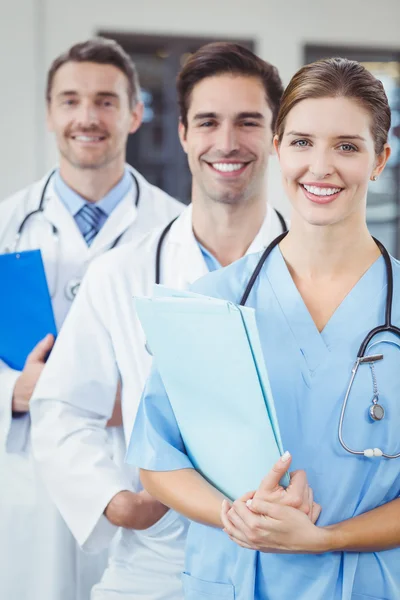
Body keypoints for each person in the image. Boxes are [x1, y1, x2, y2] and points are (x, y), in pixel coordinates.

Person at [127, 57, 400, 600]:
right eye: (301, 142)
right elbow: (158, 460)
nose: (320, 166)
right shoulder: (210, 303)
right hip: (232, 580)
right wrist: (236, 516)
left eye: (347, 146)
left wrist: (323, 539)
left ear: (379, 159)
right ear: (277, 148)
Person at [30, 42, 292, 599]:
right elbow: (63, 406)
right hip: (157, 566)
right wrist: (116, 501)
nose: (226, 142)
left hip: (290, 561)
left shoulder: (316, 269)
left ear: (275, 137)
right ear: (183, 135)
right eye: (207, 122)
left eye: (248, 122)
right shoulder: (121, 273)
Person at [0, 37, 182, 600]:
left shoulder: (177, 231)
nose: (87, 117)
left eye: (106, 101)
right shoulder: (6, 225)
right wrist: (15, 391)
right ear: (51, 113)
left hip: (142, 488)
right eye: (71, 100)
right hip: (29, 484)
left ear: (134, 113)